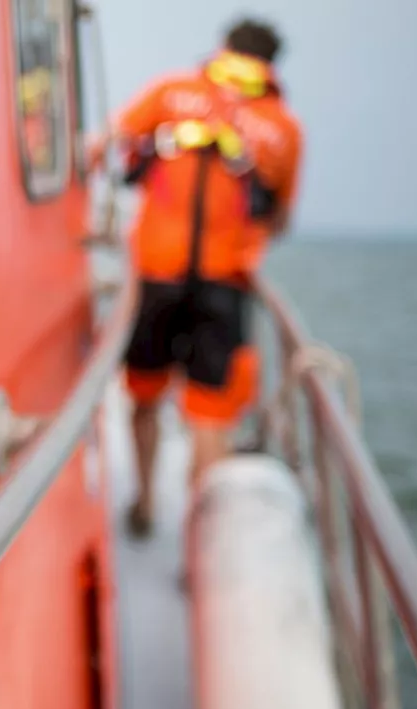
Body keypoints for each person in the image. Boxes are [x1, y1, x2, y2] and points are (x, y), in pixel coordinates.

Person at [86, 18, 303, 535]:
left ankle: (142, 504)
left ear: (223, 48)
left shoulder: (174, 92)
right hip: (225, 284)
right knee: (210, 415)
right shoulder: (284, 131)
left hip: (156, 275)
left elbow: (105, 144)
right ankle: (198, 537)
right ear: (272, 66)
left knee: (143, 396)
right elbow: (280, 218)